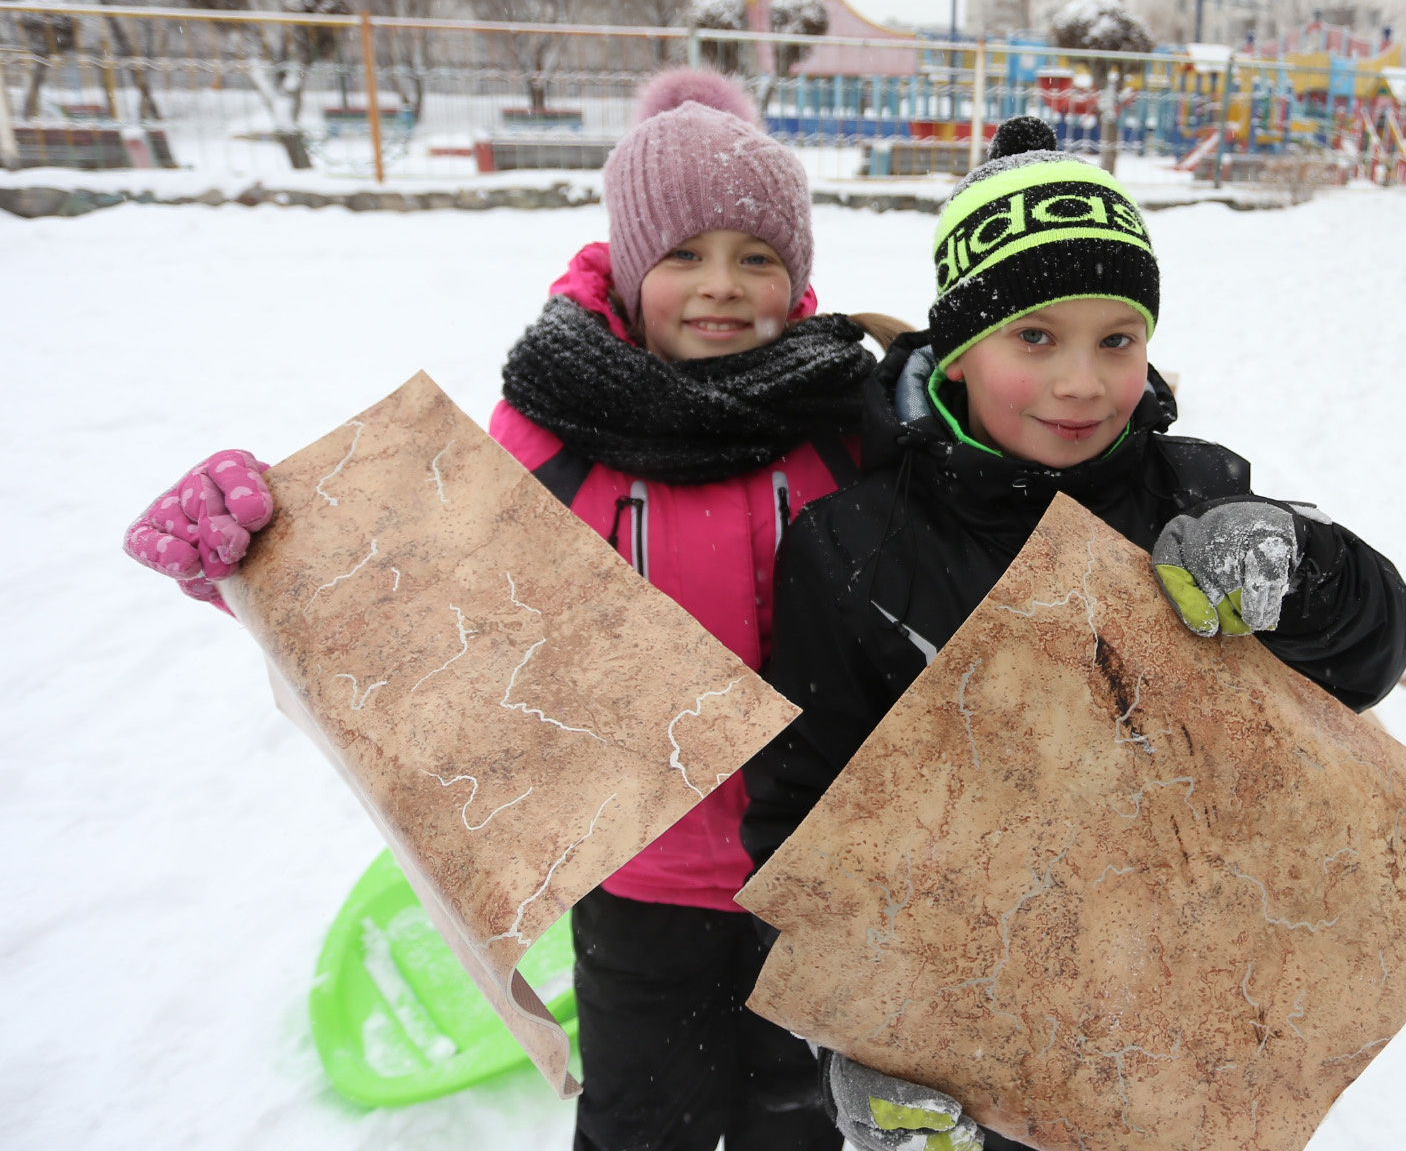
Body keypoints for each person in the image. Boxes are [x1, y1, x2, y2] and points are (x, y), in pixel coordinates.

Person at [123, 70, 874, 1151]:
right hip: (636, 874)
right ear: (626, 260)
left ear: (798, 272)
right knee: (639, 1119)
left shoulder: (843, 413)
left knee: (795, 1119)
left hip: (809, 874)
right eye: (684, 254)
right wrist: (252, 561)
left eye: (757, 255)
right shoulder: (554, 426)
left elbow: (952, 556)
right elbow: (417, 615)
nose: (723, 285)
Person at [739, 117, 1406, 1151]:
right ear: (959, 353)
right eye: (1035, 337)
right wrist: (854, 1033)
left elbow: (1369, 658)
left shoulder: (1197, 493)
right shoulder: (853, 548)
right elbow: (801, 814)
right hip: (970, 1011)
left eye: (1117, 338)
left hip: (1182, 990)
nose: (1082, 382)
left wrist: (1306, 570)